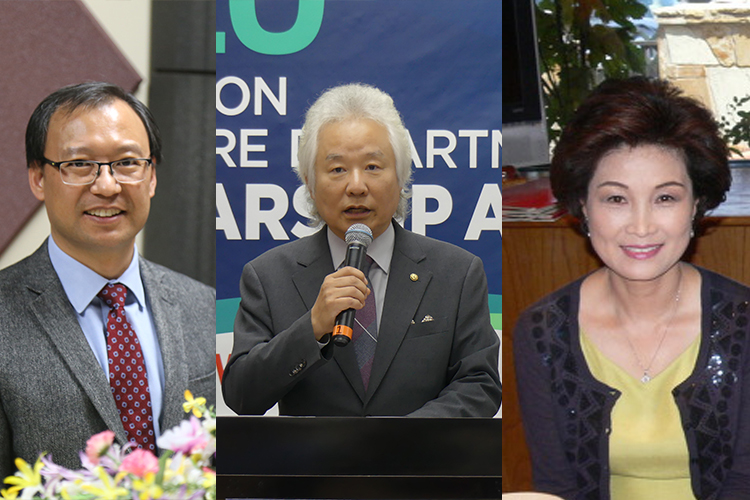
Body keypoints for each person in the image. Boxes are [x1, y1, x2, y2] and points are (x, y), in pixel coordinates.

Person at [514, 77, 750, 500]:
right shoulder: (541, 331)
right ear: (583, 206)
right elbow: (557, 487)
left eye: (665, 198)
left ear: (695, 206)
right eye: (616, 199)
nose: (641, 227)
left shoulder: (745, 323)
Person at [222, 83, 500, 417]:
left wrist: (398, 444)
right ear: (310, 183)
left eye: (372, 167)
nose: (356, 186)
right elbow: (241, 396)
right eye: (337, 169)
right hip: (313, 469)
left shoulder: (457, 272)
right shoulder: (269, 276)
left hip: (419, 465)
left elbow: (479, 384)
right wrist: (311, 326)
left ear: (400, 177)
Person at [0, 82, 215, 478]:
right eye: (79, 164)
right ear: (37, 178)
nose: (107, 185)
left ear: (151, 177)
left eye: (127, 163)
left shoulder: (203, 307)